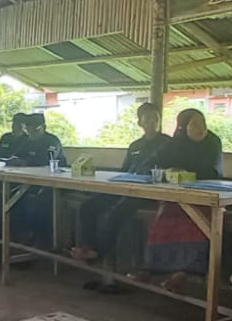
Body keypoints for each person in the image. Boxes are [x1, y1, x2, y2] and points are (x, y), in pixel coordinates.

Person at [70, 102, 168, 263]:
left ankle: (99, 252)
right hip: (127, 187)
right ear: (140, 122)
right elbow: (125, 170)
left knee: (115, 212)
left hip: (149, 192)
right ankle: (87, 246)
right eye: (148, 118)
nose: (152, 122)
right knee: (87, 206)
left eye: (155, 118)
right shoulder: (135, 145)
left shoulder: (168, 144)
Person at [142, 110, 226, 290]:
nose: (200, 128)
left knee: (196, 219)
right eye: (194, 124)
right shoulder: (174, 143)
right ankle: (153, 267)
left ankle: (185, 272)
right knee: (165, 217)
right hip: (176, 197)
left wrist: (184, 173)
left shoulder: (212, 142)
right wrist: (166, 172)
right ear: (182, 126)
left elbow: (213, 171)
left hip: (205, 196)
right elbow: (149, 165)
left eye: (203, 122)